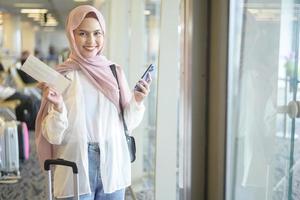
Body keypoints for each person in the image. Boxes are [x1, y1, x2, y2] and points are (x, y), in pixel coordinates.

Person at [35, 5, 151, 200]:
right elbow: (54, 136)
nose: (91, 41)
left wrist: (137, 101)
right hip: (76, 163)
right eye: (82, 33)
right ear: (72, 35)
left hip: (112, 162)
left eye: (97, 33)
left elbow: (127, 125)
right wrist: (58, 107)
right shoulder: (62, 75)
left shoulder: (114, 72)